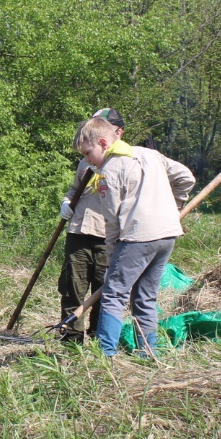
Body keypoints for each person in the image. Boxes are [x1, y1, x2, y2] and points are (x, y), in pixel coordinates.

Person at [76, 116, 195, 357]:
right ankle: (149, 353)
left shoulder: (109, 172)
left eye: (88, 153)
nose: (87, 160)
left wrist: (111, 258)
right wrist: (176, 207)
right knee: (145, 297)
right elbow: (186, 178)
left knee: (113, 294)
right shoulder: (150, 154)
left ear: (102, 143)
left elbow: (110, 221)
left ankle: (106, 354)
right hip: (167, 234)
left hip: (138, 237)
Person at [56, 108, 124, 342]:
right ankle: (71, 340)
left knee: (103, 291)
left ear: (117, 131)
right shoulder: (86, 160)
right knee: (72, 287)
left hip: (109, 236)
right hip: (79, 231)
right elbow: (75, 189)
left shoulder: (126, 162)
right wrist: (67, 200)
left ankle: (99, 340)